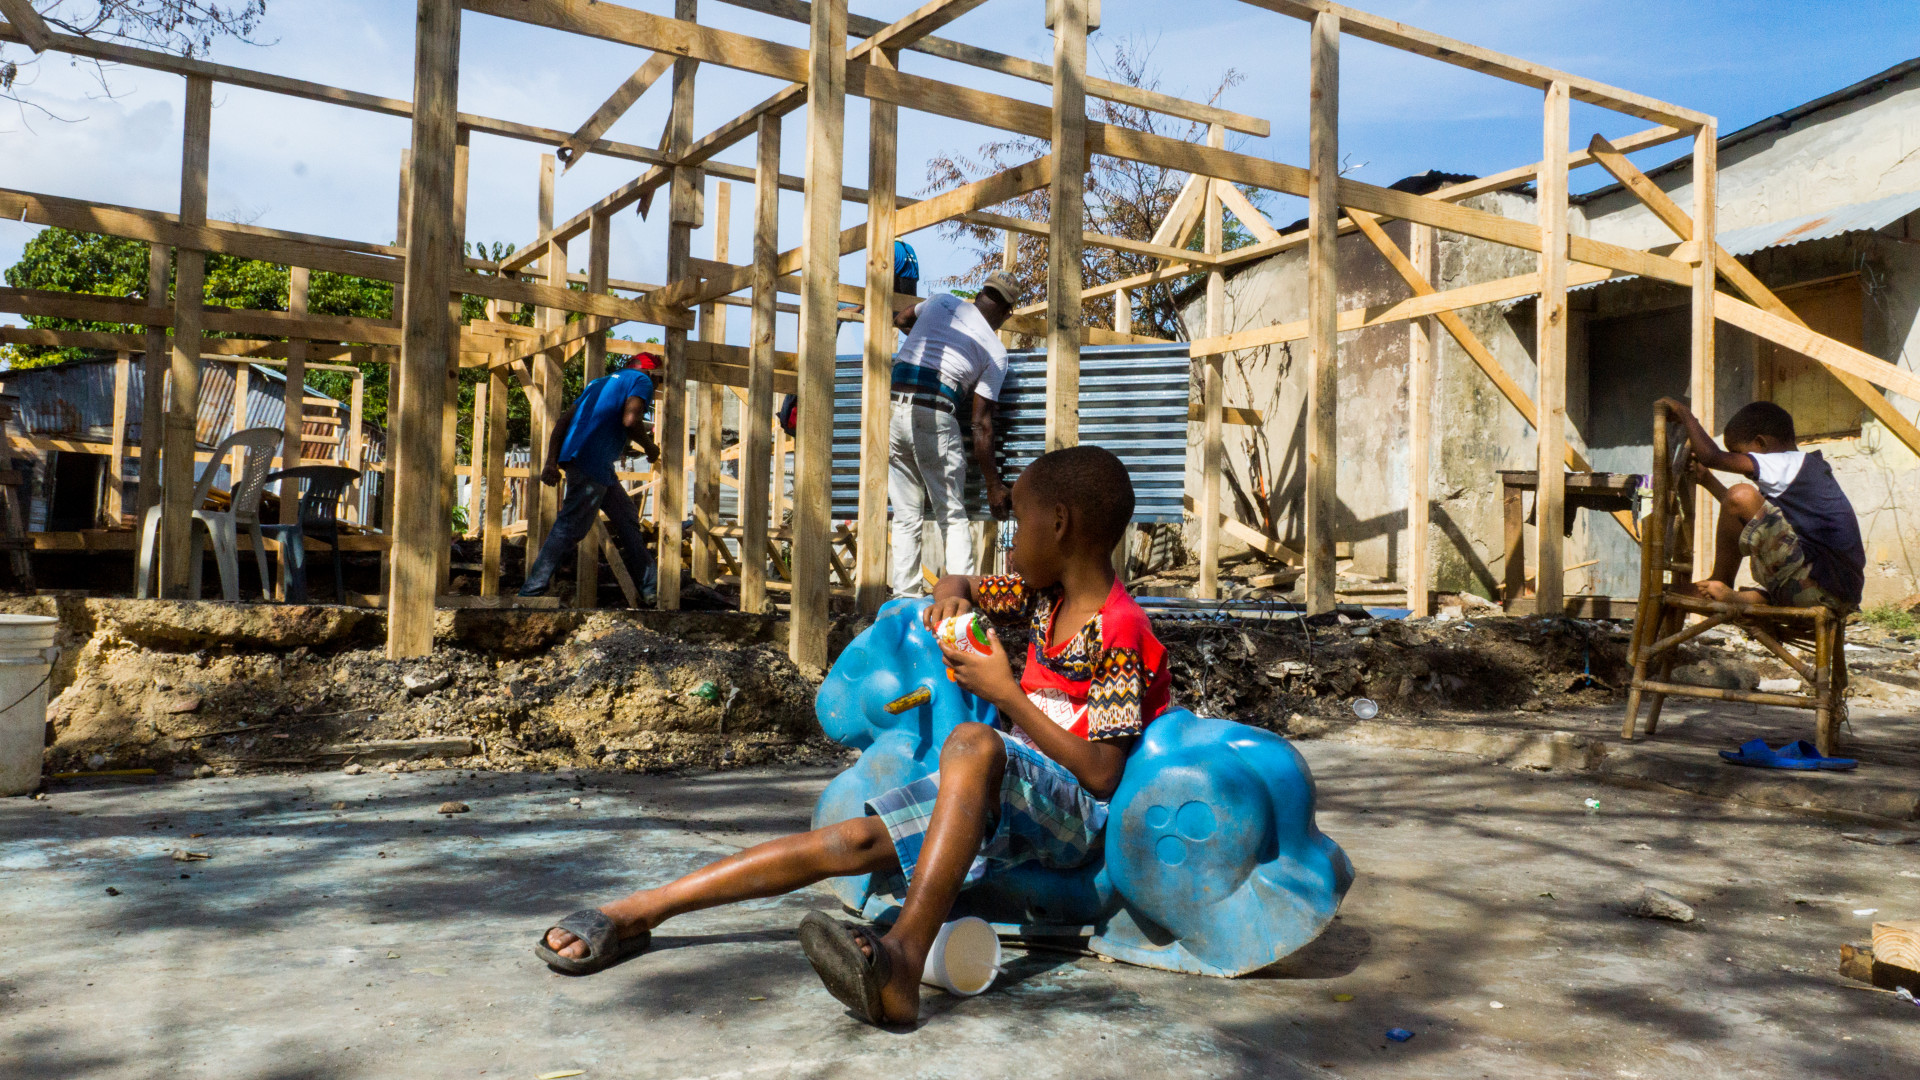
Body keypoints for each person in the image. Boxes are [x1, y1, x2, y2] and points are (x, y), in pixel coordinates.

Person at [534, 445, 1169, 1028]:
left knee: (973, 742)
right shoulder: (1042, 598)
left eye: (1018, 522)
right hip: (1009, 787)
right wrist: (951, 598)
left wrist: (1005, 694)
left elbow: (1102, 773)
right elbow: (959, 583)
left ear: (1058, 524)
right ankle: (640, 911)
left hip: (1075, 814)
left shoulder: (1121, 631)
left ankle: (903, 963)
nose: (1009, 541)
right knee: (854, 837)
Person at [1656, 397, 1864, 612]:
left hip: (1815, 586)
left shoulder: (1786, 463)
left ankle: (1720, 580)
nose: (1738, 461)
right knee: (1741, 499)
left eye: (1738, 453)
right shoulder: (1800, 473)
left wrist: (1685, 414)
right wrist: (1708, 481)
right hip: (1835, 594)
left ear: (1761, 444)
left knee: (1741, 494)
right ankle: (1741, 598)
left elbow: (1712, 457)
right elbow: (1740, 513)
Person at [887, 270, 1020, 597]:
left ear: (980, 294)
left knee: (905, 517)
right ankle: (958, 602)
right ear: (1006, 314)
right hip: (933, 413)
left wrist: (928, 338)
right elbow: (981, 423)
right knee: (952, 517)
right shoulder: (995, 351)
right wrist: (994, 485)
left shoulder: (941, 302)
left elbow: (901, 319)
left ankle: (905, 599)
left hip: (892, 411)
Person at [520, 351, 662, 605]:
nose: (656, 386)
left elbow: (563, 421)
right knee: (570, 526)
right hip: (591, 462)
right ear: (649, 372)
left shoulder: (599, 383)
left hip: (588, 462)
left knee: (627, 518)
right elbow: (631, 420)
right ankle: (530, 593)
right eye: (658, 379)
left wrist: (552, 461)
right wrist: (650, 448)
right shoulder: (642, 380)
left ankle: (650, 589)